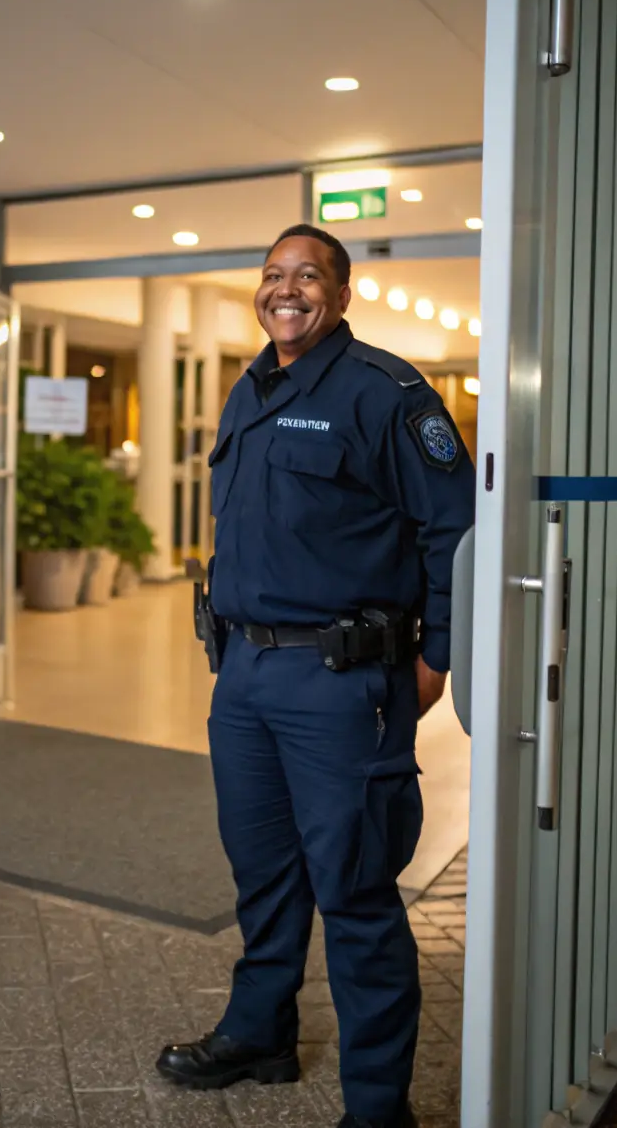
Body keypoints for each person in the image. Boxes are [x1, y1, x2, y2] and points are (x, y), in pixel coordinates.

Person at [157, 224, 476, 1128]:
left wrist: (438, 657)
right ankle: (261, 1032)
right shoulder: (249, 389)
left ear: (338, 295)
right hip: (246, 675)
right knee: (262, 872)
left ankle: (378, 1108)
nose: (284, 289)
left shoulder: (385, 392)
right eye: (271, 275)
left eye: (306, 275)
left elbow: (452, 530)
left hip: (342, 686)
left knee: (355, 892)